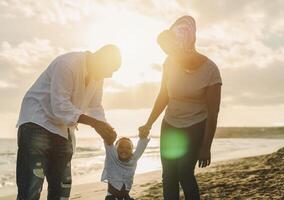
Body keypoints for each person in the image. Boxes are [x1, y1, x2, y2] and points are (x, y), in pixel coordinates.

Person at [16, 44, 121, 200]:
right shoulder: (67, 64)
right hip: (37, 122)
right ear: (100, 59)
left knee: (61, 191)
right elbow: (60, 106)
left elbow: (95, 107)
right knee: (30, 190)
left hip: (63, 130)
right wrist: (96, 124)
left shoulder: (98, 76)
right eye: (110, 69)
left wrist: (105, 128)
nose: (110, 75)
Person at [139, 16, 222, 200]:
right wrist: (149, 123)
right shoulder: (169, 63)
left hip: (195, 126)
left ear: (185, 43)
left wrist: (206, 146)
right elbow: (164, 95)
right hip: (170, 125)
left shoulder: (211, 71)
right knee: (168, 175)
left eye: (172, 49)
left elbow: (213, 112)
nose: (170, 54)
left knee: (184, 173)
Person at [101, 134, 150, 200]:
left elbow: (141, 146)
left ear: (132, 151)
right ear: (115, 149)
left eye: (128, 148)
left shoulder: (133, 160)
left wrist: (144, 135)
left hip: (126, 197)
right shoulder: (112, 159)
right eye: (121, 147)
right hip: (112, 198)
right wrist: (107, 135)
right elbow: (108, 142)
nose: (124, 149)